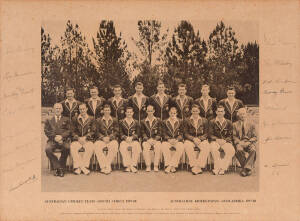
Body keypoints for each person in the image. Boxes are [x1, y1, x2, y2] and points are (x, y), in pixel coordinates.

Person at [44, 103, 70, 177]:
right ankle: (59, 168)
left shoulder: (66, 119)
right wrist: (55, 138)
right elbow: (46, 131)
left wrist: (61, 137)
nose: (58, 110)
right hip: (52, 140)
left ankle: (59, 167)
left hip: (63, 140)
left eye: (59, 108)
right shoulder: (49, 120)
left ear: (62, 110)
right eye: (56, 108)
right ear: (53, 110)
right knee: (47, 149)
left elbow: (69, 131)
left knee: (67, 148)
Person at [209, 105, 236, 175]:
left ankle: (222, 168)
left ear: (224, 112)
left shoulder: (229, 122)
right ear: (216, 112)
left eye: (221, 111)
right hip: (215, 141)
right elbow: (210, 134)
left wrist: (225, 140)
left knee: (231, 150)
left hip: (225, 141)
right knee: (214, 149)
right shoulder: (212, 122)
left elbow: (230, 135)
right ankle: (217, 168)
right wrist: (217, 139)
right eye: (218, 111)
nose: (220, 113)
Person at [184, 104, 210, 175]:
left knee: (206, 146)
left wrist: (199, 139)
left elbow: (206, 133)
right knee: (187, 146)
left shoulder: (204, 120)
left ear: (199, 111)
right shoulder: (187, 120)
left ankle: (199, 166)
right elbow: (185, 133)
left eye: (196, 111)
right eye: (193, 111)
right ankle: (194, 166)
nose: (195, 112)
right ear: (191, 111)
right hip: (191, 139)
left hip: (200, 139)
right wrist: (193, 139)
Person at [70, 103, 95, 175]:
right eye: (80, 109)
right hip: (78, 140)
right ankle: (80, 167)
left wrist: (86, 137)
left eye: (83, 109)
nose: (82, 110)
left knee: (90, 147)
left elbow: (93, 131)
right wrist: (78, 138)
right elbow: (72, 131)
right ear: (79, 110)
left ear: (86, 109)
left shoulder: (91, 118)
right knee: (73, 146)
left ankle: (83, 166)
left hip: (87, 140)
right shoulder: (75, 118)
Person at [93, 105, 119, 174]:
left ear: (110, 111)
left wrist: (110, 137)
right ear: (103, 111)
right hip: (102, 140)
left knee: (115, 145)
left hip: (110, 140)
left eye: (108, 110)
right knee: (96, 145)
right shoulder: (98, 120)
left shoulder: (114, 119)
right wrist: (102, 138)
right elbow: (96, 132)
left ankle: (106, 165)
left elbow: (117, 131)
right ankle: (103, 166)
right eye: (105, 110)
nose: (106, 112)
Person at [233, 108, 257, 177]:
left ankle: (245, 169)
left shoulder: (252, 124)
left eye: (243, 114)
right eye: (241, 114)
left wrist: (249, 142)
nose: (242, 116)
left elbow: (255, 137)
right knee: (239, 150)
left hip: (249, 142)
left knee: (253, 150)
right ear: (238, 115)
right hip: (240, 143)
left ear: (246, 114)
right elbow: (234, 137)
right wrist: (240, 142)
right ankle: (248, 168)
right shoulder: (235, 124)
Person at [161, 107, 185, 173]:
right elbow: (163, 133)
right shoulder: (164, 121)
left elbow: (182, 133)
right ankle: (170, 165)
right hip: (168, 140)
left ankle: (170, 166)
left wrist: (177, 139)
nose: (172, 114)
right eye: (171, 113)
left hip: (177, 141)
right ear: (169, 113)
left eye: (174, 113)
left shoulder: (180, 121)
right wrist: (169, 139)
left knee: (181, 147)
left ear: (176, 113)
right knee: (164, 146)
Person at [119, 106, 141, 173]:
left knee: (137, 146)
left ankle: (133, 165)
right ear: (125, 113)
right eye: (127, 112)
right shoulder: (121, 122)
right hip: (125, 140)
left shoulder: (136, 122)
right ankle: (128, 165)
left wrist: (132, 138)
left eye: (130, 112)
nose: (129, 113)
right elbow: (120, 133)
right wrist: (125, 138)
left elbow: (138, 133)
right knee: (122, 146)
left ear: (133, 113)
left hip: (133, 140)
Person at [140, 104, 162, 172]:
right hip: (147, 140)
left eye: (151, 111)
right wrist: (148, 140)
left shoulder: (158, 120)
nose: (150, 112)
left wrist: (155, 140)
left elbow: (160, 132)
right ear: (146, 111)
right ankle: (148, 165)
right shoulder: (143, 121)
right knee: (145, 147)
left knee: (158, 146)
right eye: (148, 111)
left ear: (154, 111)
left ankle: (155, 165)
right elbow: (142, 133)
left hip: (155, 140)